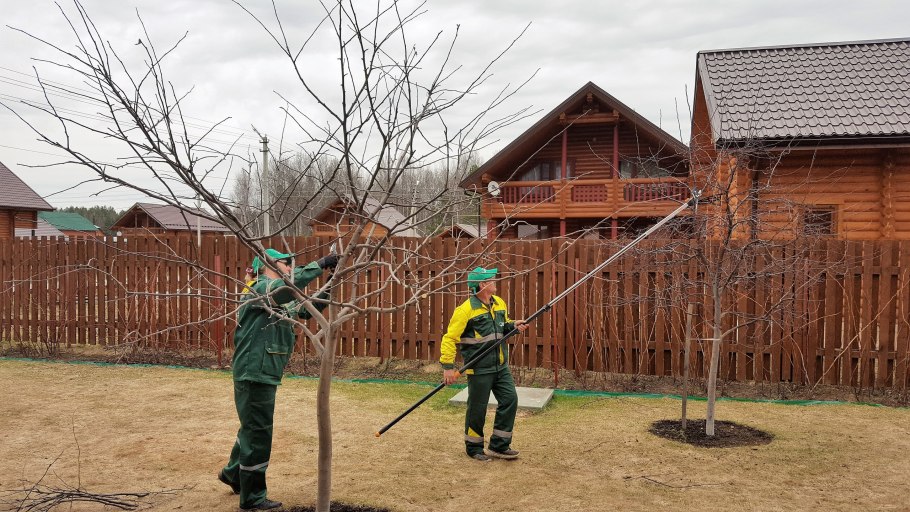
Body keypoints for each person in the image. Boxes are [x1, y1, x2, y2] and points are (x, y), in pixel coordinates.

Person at [218, 248, 338, 510]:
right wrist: (319, 265)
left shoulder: (278, 295)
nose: (291, 268)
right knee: (258, 433)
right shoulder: (261, 288)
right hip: (255, 373)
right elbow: (286, 289)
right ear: (269, 265)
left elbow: (306, 311)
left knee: (251, 426)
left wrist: (331, 282)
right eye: (287, 264)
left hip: (262, 371)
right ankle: (252, 497)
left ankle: (232, 473)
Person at [440, 266, 528, 462]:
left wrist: (513, 326)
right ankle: (473, 447)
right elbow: (449, 338)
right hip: (479, 368)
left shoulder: (499, 303)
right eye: (491, 279)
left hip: (501, 365)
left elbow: (502, 326)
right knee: (477, 408)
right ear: (482, 284)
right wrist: (448, 367)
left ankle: (499, 445)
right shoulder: (465, 310)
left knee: (510, 400)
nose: (494, 280)